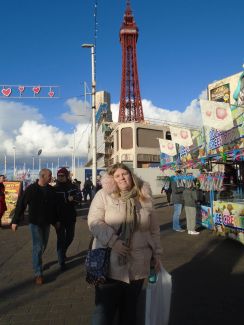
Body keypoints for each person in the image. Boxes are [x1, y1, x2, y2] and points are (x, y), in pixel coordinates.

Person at [88, 163, 162, 325]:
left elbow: (154, 229)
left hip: (139, 264)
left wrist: (156, 254)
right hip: (110, 264)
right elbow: (94, 222)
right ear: (112, 179)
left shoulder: (144, 196)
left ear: (131, 175)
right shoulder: (103, 195)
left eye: (125, 173)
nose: (122, 177)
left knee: (129, 311)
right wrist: (113, 242)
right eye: (117, 175)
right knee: (103, 312)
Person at [11, 169, 60, 285]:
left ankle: (37, 260)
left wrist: (56, 221)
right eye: (49, 175)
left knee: (43, 245)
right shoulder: (31, 189)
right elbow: (21, 204)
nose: (51, 177)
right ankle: (38, 273)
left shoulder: (51, 190)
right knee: (37, 246)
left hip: (46, 222)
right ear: (42, 176)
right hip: (34, 223)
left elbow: (54, 208)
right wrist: (15, 221)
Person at [54, 168, 78, 270]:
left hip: (70, 217)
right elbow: (53, 205)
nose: (60, 177)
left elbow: (79, 198)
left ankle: (62, 252)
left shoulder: (73, 187)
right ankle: (61, 262)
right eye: (59, 176)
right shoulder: (54, 189)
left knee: (70, 237)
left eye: (62, 175)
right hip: (59, 219)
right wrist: (54, 220)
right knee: (60, 239)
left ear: (67, 176)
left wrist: (74, 199)